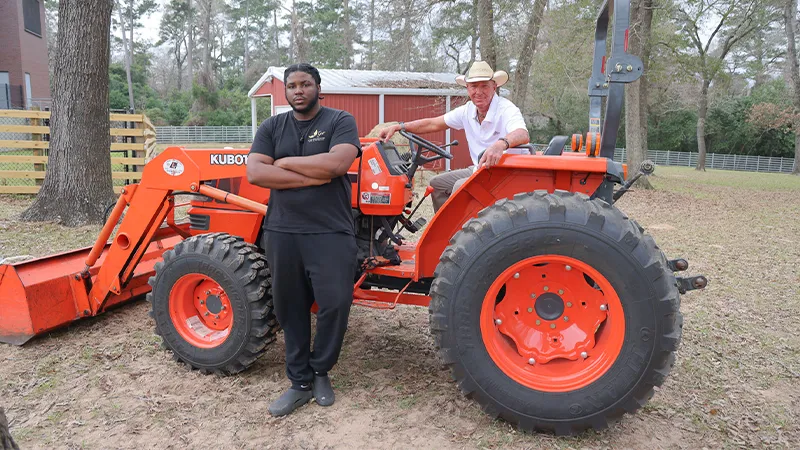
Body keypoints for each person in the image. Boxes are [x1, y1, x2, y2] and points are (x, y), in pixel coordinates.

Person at [246, 63, 361, 417]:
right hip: (282, 231)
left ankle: (321, 371)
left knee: (335, 303)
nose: (299, 90)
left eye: (305, 84)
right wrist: (311, 176)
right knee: (289, 308)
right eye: (292, 85)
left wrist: (284, 164)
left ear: (317, 87)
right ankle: (299, 382)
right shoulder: (271, 126)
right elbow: (255, 172)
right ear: (286, 91)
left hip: (330, 229)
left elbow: (335, 166)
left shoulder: (340, 121)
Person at [379, 60, 530, 211]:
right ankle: (446, 233)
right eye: (474, 86)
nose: (479, 92)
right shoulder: (467, 111)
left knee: (460, 187)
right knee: (436, 184)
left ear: (494, 87)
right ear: (468, 89)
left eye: (484, 86)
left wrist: (500, 144)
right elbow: (433, 123)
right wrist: (401, 126)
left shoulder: (506, 109)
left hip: (506, 173)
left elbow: (522, 134)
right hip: (480, 170)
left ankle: (464, 233)